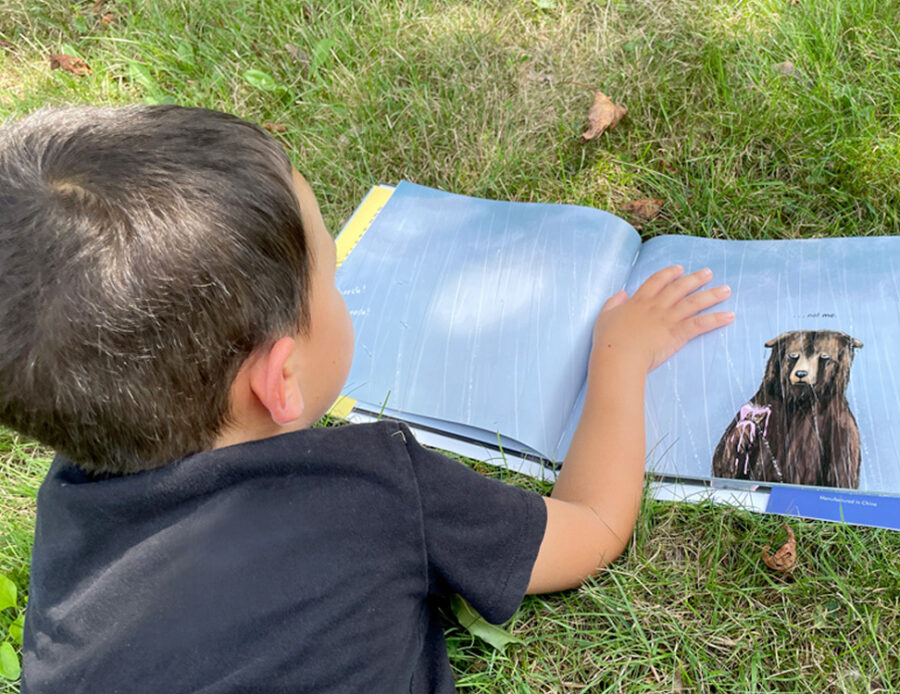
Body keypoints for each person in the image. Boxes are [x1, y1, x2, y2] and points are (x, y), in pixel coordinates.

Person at [0, 105, 734, 692]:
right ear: (279, 381)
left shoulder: (69, 513)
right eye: (333, 268)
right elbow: (593, 529)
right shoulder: (371, 485)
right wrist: (621, 359)